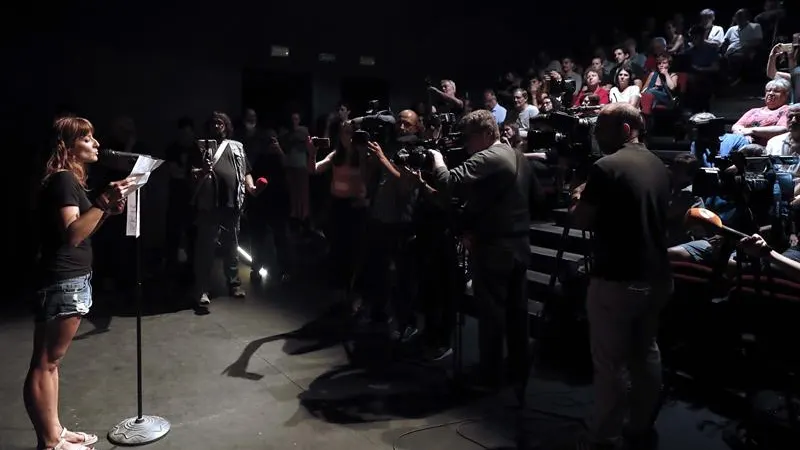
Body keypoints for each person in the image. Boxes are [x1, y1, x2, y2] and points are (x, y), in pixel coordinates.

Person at [25, 117, 134, 450]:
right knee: (46, 363)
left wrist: (106, 212)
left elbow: (81, 230)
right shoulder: (63, 181)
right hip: (63, 280)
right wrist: (102, 202)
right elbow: (72, 234)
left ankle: (55, 432)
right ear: (68, 146)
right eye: (87, 138)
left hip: (70, 278)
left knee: (50, 363)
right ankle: (49, 442)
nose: (96, 143)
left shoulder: (69, 181)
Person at [570, 103, 672, 450]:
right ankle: (640, 425)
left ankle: (603, 437)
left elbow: (581, 219)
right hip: (657, 274)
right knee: (646, 353)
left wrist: (577, 196)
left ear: (626, 129)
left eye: (602, 126)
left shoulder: (605, 167)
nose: (596, 134)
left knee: (610, 363)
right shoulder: (658, 164)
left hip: (617, 278)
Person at [429, 110, 532, 396]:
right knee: (517, 312)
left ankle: (490, 374)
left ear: (487, 134)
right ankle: (517, 369)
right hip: (520, 244)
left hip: (495, 247)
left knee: (492, 313)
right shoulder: (518, 156)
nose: (466, 145)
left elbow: (448, 181)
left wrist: (437, 158)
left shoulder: (489, 156)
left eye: (469, 138)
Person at [190, 111, 257, 305]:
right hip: (209, 204)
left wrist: (251, 187)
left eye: (221, 123)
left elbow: (246, 171)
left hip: (232, 203)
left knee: (231, 246)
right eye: (213, 123)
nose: (217, 126)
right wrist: (202, 170)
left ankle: (234, 283)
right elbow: (192, 174)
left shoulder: (237, 147)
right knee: (206, 248)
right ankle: (202, 288)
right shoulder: (201, 146)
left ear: (227, 126)